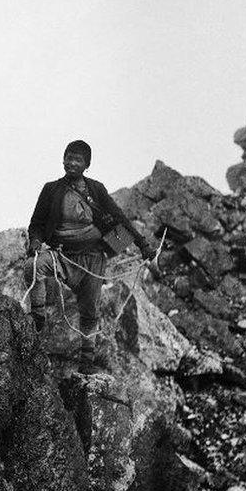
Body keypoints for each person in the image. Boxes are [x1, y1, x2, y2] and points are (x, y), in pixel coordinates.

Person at [24, 141, 155, 374]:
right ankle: (37, 318)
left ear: (87, 165)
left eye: (78, 159)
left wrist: (142, 244)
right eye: (68, 157)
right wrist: (35, 241)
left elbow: (119, 217)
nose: (72, 163)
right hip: (62, 255)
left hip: (93, 258)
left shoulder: (96, 189)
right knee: (34, 265)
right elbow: (37, 224)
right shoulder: (51, 189)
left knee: (90, 310)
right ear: (62, 159)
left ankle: (87, 362)